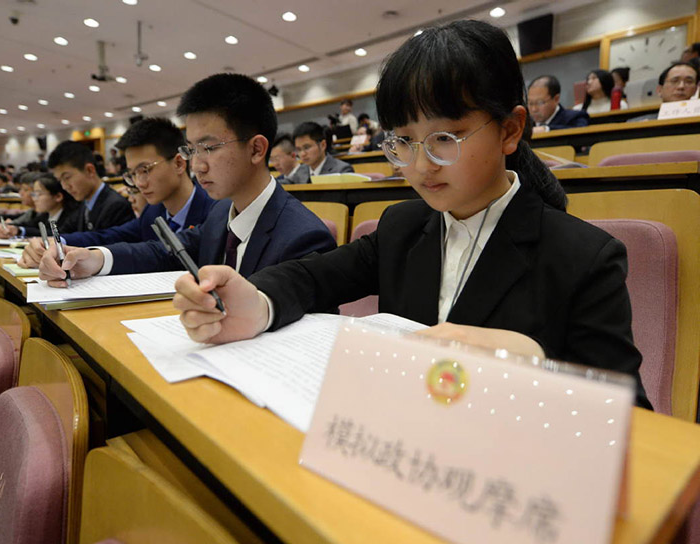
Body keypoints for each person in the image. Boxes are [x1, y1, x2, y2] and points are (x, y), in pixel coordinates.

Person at [171, 20, 652, 410]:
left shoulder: (584, 257)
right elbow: (315, 277)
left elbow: (635, 418)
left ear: (510, 130)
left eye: (445, 138)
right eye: (402, 141)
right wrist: (258, 302)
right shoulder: (404, 226)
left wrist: (541, 365)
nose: (420, 167)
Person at [36, 73, 336, 282]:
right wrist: (94, 259)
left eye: (208, 148)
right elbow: (163, 251)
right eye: (192, 149)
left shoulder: (304, 237)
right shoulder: (221, 213)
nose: (198, 166)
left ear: (257, 149)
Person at [19, 117, 215, 266]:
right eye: (132, 174)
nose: (139, 183)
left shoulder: (215, 211)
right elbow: (108, 236)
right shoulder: (153, 212)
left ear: (179, 163)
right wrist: (57, 242)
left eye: (145, 170)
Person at [46, 140, 134, 233]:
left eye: (67, 177)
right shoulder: (84, 203)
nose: (64, 186)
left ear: (89, 170)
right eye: (60, 180)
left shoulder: (116, 206)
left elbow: (103, 242)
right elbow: (63, 232)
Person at [628, 62, 699, 122]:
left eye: (689, 82)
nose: (681, 86)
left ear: (696, 89)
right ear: (659, 90)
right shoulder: (636, 123)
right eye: (674, 81)